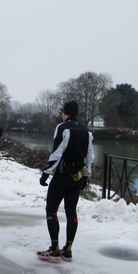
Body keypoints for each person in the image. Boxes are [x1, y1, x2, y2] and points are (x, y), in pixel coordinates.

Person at [37, 100, 94, 262]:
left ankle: (54, 247)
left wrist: (46, 173)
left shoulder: (62, 128)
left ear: (65, 113)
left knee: (51, 210)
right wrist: (86, 177)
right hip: (77, 177)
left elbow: (57, 152)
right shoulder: (86, 131)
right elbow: (90, 156)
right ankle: (68, 249)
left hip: (62, 175)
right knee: (71, 212)